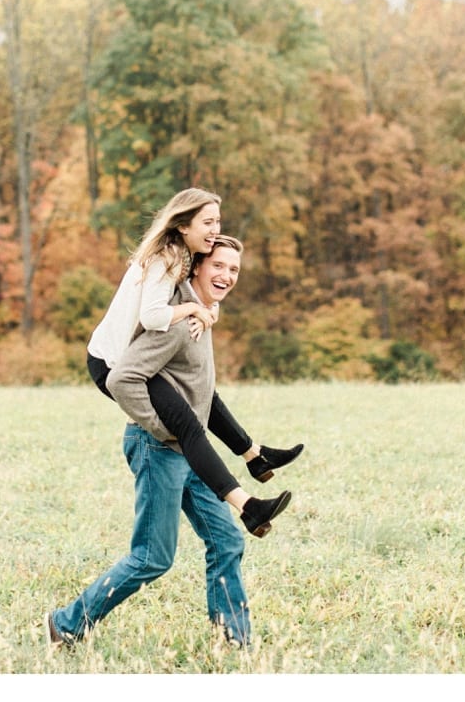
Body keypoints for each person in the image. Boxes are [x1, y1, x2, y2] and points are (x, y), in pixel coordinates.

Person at [48, 237, 289, 650]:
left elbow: (200, 393)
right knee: (152, 558)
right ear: (195, 266)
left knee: (227, 541)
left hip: (190, 453)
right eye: (219, 266)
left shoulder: (200, 314)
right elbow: (121, 377)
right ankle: (67, 624)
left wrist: (248, 450)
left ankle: (235, 641)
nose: (227, 276)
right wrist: (163, 429)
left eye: (234, 270)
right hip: (158, 447)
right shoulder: (177, 322)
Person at [87, 188, 303, 505]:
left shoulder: (182, 256)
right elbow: (153, 316)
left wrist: (207, 313)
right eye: (208, 222)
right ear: (184, 225)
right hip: (112, 361)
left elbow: (202, 293)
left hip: (136, 357)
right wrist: (160, 427)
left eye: (218, 221)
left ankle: (253, 455)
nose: (215, 230)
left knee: (204, 392)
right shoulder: (166, 258)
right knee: (187, 426)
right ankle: (248, 505)